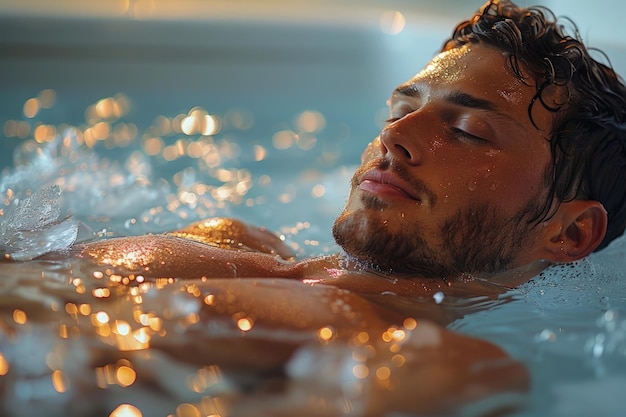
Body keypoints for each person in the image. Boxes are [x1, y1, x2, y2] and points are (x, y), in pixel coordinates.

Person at [16, 0, 626, 415]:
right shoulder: (229, 238)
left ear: (569, 233)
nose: (395, 137)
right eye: (398, 110)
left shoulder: (427, 360)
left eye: (467, 130)